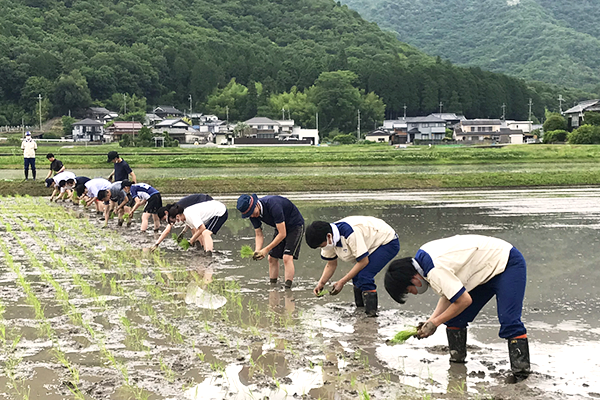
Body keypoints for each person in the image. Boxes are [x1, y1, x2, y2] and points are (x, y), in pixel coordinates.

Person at [383, 234, 530, 380]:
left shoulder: (434, 269)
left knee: (509, 319)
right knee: (455, 319)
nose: (414, 294)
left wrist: (435, 323)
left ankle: (521, 374)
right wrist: (430, 321)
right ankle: (457, 365)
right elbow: (449, 295)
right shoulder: (423, 262)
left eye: (410, 290)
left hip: (506, 261)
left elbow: (463, 301)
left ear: (414, 279)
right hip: (483, 270)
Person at [305, 217, 400, 316]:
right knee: (356, 276)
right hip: (370, 242)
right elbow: (331, 264)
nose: (322, 248)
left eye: (321, 246)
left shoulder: (349, 233)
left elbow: (363, 261)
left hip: (387, 241)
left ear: (329, 236)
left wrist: (342, 282)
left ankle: (371, 316)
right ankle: (360, 310)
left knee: (364, 276)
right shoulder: (328, 240)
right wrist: (321, 283)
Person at [236, 194, 304, 289]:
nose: (252, 215)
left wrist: (266, 249)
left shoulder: (273, 205)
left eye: (252, 212)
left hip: (295, 226)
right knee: (271, 258)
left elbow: (282, 234)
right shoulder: (253, 215)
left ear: (256, 204)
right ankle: (273, 286)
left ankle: (287, 289)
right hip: (280, 226)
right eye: (249, 214)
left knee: (287, 257)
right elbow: (259, 234)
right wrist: (258, 250)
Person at [152, 200, 228, 253]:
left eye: (177, 220)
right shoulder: (184, 216)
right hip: (212, 210)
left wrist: (192, 239)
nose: (178, 222)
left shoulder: (190, 215)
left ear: (178, 215)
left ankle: (209, 254)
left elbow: (202, 228)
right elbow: (191, 226)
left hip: (219, 211)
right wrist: (183, 233)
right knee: (200, 232)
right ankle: (204, 249)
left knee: (205, 233)